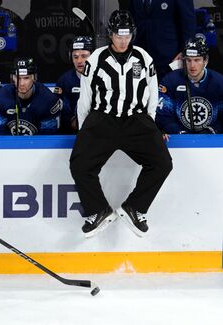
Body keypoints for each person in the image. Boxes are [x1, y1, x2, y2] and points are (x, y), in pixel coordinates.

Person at [69, 10, 173, 238]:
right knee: (79, 165)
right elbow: (85, 97)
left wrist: (149, 126)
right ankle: (98, 211)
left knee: (163, 163)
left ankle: (135, 207)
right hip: (102, 121)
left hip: (136, 120)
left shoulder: (144, 58)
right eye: (119, 35)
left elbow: (153, 95)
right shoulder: (95, 58)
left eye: (127, 35)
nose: (123, 40)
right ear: (111, 34)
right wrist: (85, 131)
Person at [157, 34, 223, 134]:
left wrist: (213, 130)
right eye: (188, 60)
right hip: (179, 139)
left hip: (211, 140)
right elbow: (163, 115)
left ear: (206, 60)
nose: (192, 65)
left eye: (197, 60)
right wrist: (177, 131)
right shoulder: (169, 81)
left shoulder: (219, 82)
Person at [0, 57, 62, 135]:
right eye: (18, 78)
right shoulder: (0, 98)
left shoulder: (48, 100)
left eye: (26, 78)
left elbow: (48, 137)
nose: (22, 83)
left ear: (34, 78)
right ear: (13, 78)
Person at [22, 1, 87, 83]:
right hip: (68, 73)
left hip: (42, 74)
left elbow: (24, 49)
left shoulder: (31, 19)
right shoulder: (78, 18)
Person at [129, 0, 195, 79]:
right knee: (137, 88)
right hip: (139, 55)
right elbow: (131, 18)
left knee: (167, 88)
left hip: (169, 56)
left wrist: (185, 50)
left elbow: (188, 21)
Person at [55, 36, 94, 134]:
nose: (79, 61)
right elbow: (59, 105)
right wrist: (71, 120)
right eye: (75, 57)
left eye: (84, 56)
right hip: (70, 132)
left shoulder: (103, 78)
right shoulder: (64, 80)